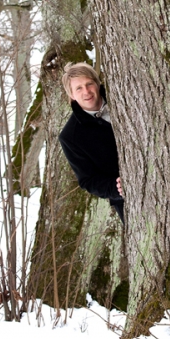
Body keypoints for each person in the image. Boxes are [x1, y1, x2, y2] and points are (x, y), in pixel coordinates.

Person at [59, 62, 124, 222]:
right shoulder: (71, 136)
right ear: (72, 95)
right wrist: (116, 188)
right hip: (127, 200)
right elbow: (88, 180)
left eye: (89, 84)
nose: (86, 91)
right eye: (78, 88)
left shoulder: (123, 96)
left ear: (97, 83)